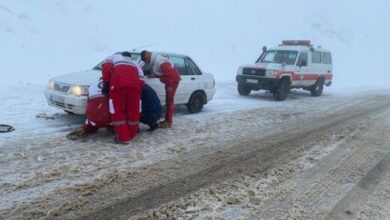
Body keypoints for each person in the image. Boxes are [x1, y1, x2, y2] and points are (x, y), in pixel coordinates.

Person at [101, 51, 143, 144]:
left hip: (118, 86)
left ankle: (123, 138)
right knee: (133, 112)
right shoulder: (135, 63)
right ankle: (131, 135)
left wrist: (106, 83)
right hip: (134, 88)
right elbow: (142, 80)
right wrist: (135, 87)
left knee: (117, 111)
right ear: (130, 57)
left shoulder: (114, 57)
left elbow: (106, 67)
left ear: (121, 55)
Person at [140, 50, 181, 128]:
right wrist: (155, 76)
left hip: (172, 81)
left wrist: (160, 79)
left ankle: (168, 122)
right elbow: (163, 72)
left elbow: (170, 75)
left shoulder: (160, 61)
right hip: (170, 81)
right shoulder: (156, 60)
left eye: (144, 60)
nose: (145, 62)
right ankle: (167, 120)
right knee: (168, 101)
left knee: (169, 101)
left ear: (147, 56)